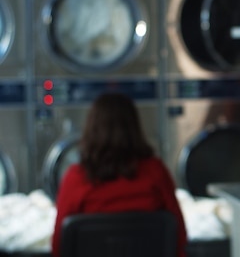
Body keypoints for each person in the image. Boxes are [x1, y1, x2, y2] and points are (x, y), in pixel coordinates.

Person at [52, 92, 187, 257]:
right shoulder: (155, 171)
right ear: (134, 128)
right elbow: (179, 237)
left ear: (91, 128)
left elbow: (60, 244)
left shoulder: (76, 177)